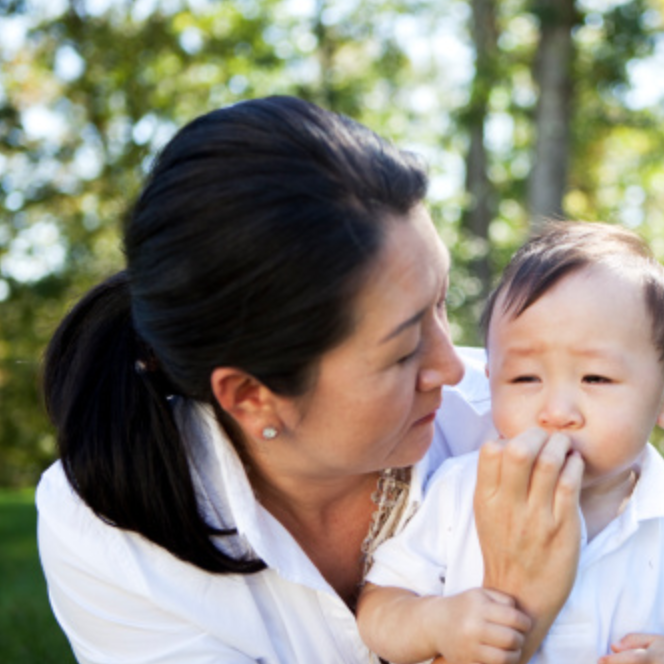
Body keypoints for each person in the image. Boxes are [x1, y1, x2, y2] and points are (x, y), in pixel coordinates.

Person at [37, 96, 585, 664]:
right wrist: (520, 610)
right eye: (402, 353)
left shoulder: (524, 417)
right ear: (253, 398)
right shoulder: (108, 532)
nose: (451, 368)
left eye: (441, 304)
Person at [357, 222, 664, 664]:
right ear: (491, 384)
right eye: (525, 378)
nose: (557, 410)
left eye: (596, 378)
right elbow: (379, 608)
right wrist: (438, 622)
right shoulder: (459, 491)